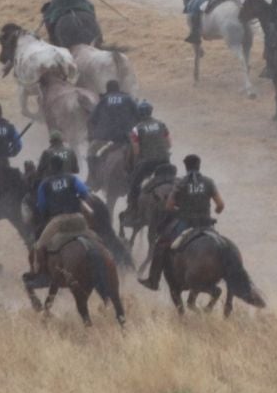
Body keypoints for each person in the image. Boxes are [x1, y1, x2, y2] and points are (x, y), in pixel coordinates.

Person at [141, 153, 222, 289]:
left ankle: (153, 280)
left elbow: (169, 206)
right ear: (199, 165)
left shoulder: (180, 183)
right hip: (207, 224)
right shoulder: (209, 182)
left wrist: (179, 207)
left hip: (185, 223)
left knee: (160, 245)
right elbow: (220, 205)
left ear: (185, 167)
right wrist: (216, 211)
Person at [24, 169, 92, 289]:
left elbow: (42, 206)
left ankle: (43, 277)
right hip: (78, 219)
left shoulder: (45, 184)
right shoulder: (72, 178)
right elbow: (84, 192)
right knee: (95, 238)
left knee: (39, 245)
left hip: (58, 221)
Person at [125, 101, 172, 210]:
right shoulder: (161, 124)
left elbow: (136, 151)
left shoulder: (136, 129)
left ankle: (133, 210)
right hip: (165, 161)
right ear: (151, 111)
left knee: (134, 184)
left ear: (139, 113)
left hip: (147, 163)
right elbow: (169, 144)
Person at [86, 78, 140, 146]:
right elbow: (138, 114)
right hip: (125, 136)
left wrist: (92, 136)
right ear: (118, 89)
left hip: (106, 136)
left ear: (107, 90)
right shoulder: (127, 98)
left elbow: (92, 119)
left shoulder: (104, 100)